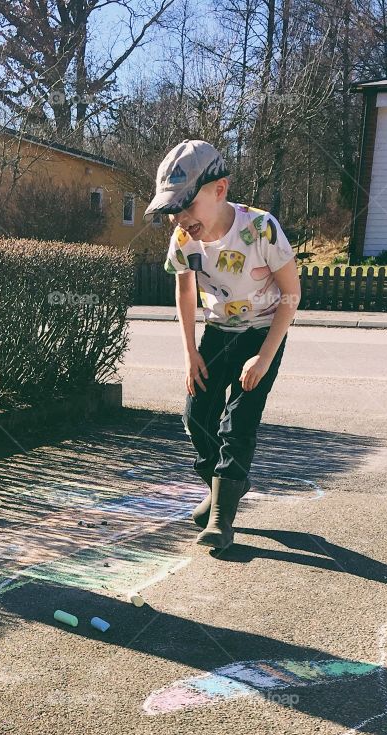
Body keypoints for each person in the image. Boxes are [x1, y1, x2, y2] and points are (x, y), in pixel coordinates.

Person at [145, 140, 301, 552]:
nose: (179, 217)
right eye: (171, 209)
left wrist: (265, 356)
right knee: (196, 415)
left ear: (219, 190)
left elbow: (291, 294)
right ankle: (224, 486)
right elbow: (185, 293)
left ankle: (221, 518)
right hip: (216, 332)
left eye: (186, 205)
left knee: (238, 421)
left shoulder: (260, 229)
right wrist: (189, 351)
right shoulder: (184, 238)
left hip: (262, 332)